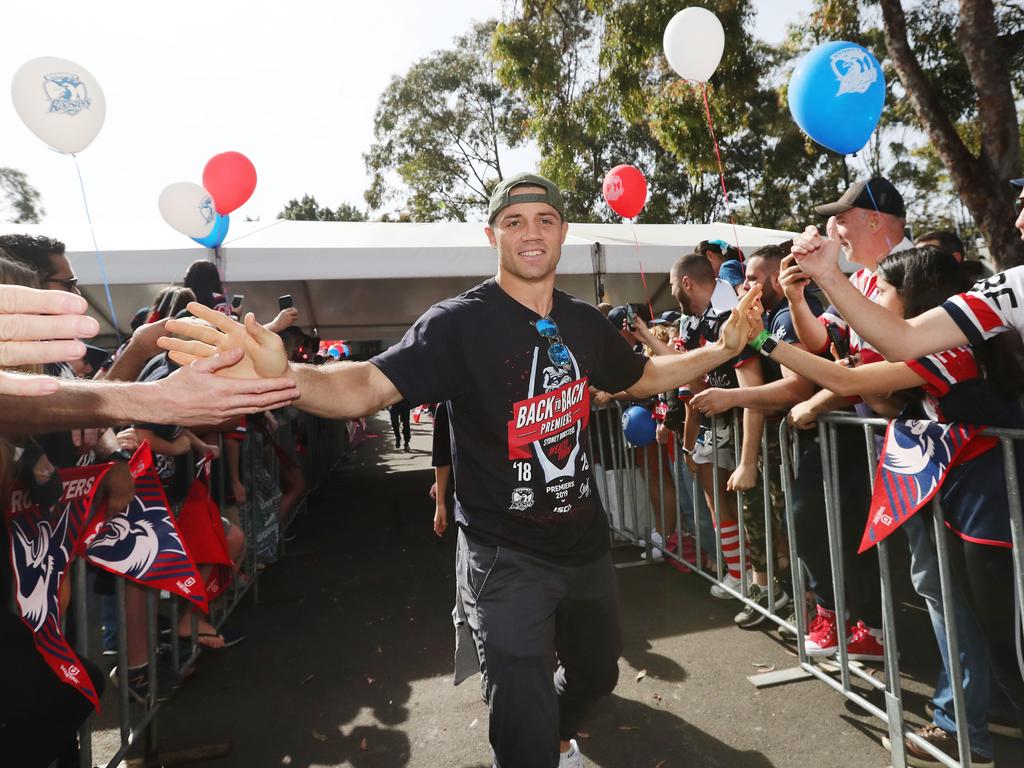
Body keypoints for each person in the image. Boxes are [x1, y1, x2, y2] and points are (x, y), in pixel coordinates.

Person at [160, 172, 755, 768]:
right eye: (514, 222)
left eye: (544, 221)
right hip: (504, 555)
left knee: (597, 674)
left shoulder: (582, 323)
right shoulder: (456, 324)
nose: (531, 233)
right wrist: (284, 379)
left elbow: (641, 376)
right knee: (520, 714)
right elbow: (365, 385)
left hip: (584, 544)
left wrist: (724, 349)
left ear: (563, 233)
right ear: (491, 233)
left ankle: (560, 731)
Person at [738, 247, 1024, 765]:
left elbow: (847, 382)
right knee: (976, 615)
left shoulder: (941, 349)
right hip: (971, 493)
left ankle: (967, 727)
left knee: (989, 620)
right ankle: (978, 714)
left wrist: (759, 341)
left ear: (914, 296)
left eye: (885, 293)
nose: (876, 303)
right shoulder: (948, 345)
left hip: (989, 501)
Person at [691, 245, 824, 627]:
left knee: (800, 529)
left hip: (802, 443)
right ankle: (796, 603)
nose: (742, 285)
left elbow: (796, 388)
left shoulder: (786, 315)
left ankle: (816, 609)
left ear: (771, 278)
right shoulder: (768, 320)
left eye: (750, 278)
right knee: (779, 524)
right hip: (783, 442)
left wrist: (730, 397)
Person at [790, 178, 1024, 363]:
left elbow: (914, 354)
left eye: (841, 220)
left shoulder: (926, 272)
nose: (1018, 221)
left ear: (873, 221)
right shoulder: (858, 279)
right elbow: (821, 340)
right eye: (1018, 206)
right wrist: (797, 297)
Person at [671, 252, 762, 599]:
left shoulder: (734, 313)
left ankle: (767, 585)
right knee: (717, 506)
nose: (673, 294)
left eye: (672, 287)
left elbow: (750, 387)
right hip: (712, 424)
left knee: (757, 511)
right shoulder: (690, 322)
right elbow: (693, 386)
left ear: (687, 283)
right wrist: (689, 442)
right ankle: (740, 576)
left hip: (747, 424)